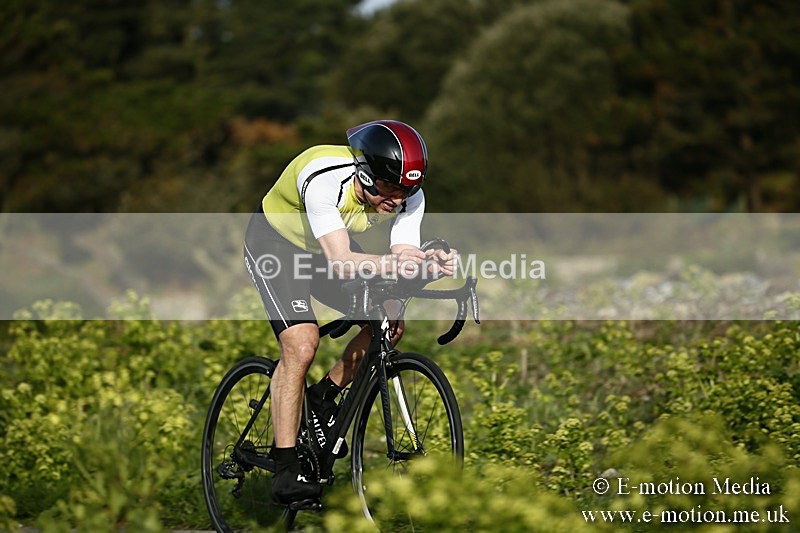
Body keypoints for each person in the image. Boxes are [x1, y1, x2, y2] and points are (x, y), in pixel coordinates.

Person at [243, 120, 457, 507]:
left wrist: (427, 260)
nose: (398, 200)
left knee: (388, 321)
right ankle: (286, 467)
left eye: (407, 190)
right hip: (277, 246)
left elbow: (401, 253)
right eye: (391, 190)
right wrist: (399, 267)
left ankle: (324, 396)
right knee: (302, 343)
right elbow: (341, 262)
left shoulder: (410, 195)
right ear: (364, 174)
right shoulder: (324, 179)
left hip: (324, 248)